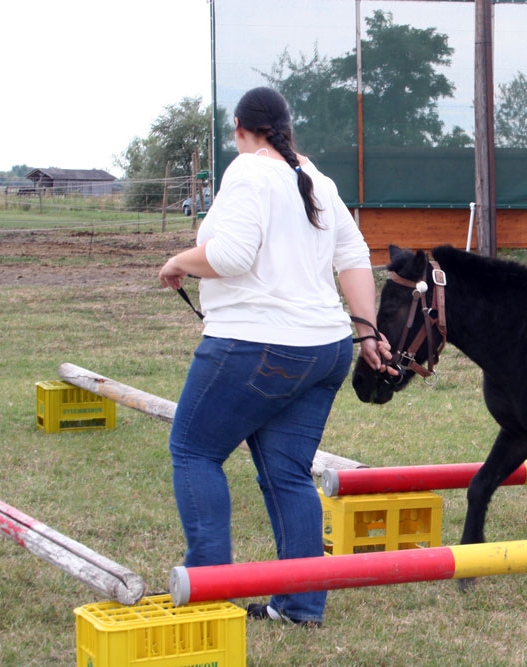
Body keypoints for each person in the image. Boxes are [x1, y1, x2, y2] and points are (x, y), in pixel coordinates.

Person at [158, 86, 391, 626]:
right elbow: (354, 256)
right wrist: (367, 331)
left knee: (194, 451)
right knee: (287, 473)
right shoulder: (317, 179)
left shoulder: (246, 171)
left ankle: (210, 593)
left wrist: (179, 260)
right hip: (327, 347)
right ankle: (300, 606)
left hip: (256, 344)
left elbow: (232, 255)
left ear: (240, 127)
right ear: (286, 126)